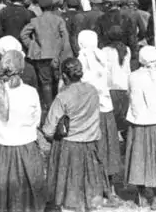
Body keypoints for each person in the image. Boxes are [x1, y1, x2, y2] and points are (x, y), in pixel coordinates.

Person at [42, 58, 109, 211]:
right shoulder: (92, 90)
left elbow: (48, 130)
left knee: (67, 192)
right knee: (89, 187)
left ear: (64, 76)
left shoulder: (63, 97)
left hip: (68, 147)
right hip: (91, 144)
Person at [0, 50, 46, 212]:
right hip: (26, 147)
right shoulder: (31, 92)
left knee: (1, 196)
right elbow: (36, 120)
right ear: (22, 70)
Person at [125, 46, 156, 210]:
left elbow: (129, 94)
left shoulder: (132, 77)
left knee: (140, 156)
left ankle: (144, 193)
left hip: (139, 122)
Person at [78, 30, 122, 202]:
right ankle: (108, 189)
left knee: (92, 150)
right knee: (108, 149)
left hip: (89, 113)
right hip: (105, 110)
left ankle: (95, 189)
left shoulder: (81, 60)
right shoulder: (102, 58)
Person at [20, 0, 72, 111]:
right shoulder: (59, 20)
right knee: (57, 80)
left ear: (40, 7)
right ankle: (59, 105)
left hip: (41, 55)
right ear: (52, 6)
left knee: (45, 82)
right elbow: (65, 37)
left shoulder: (35, 20)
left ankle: (49, 107)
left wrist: (33, 46)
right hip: (56, 55)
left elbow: (24, 34)